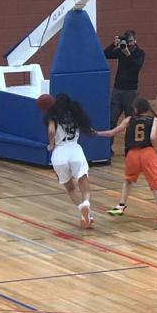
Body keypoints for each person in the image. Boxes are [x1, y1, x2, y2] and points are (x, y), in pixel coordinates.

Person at [96, 98, 157, 231]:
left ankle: (121, 206)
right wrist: (152, 147)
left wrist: (96, 133)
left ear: (135, 108)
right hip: (147, 154)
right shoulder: (154, 120)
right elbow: (152, 137)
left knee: (128, 181)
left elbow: (112, 132)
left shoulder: (129, 119)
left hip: (132, 154)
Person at [41, 93, 96, 229]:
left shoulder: (53, 116)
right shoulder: (76, 114)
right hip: (75, 151)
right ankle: (86, 204)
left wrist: (51, 145)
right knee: (84, 186)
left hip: (60, 153)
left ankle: (82, 211)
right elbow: (87, 128)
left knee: (70, 189)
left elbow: (51, 131)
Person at [104, 30, 146, 152]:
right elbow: (105, 54)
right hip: (117, 90)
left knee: (131, 120)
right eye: (128, 42)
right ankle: (108, 148)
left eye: (131, 41)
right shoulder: (121, 50)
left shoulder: (140, 53)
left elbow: (136, 68)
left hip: (131, 92)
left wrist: (127, 53)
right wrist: (114, 44)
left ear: (135, 40)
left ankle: (130, 147)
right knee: (111, 119)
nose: (129, 44)